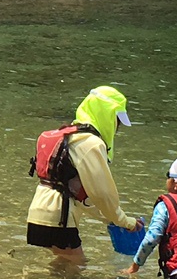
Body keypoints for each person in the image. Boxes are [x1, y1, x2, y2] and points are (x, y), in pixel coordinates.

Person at [25, 84, 140, 264]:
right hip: (60, 217)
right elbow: (102, 195)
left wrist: (112, 219)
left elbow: (81, 197)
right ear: (107, 115)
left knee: (65, 265)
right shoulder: (91, 143)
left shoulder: (70, 135)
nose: (117, 128)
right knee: (76, 268)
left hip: (38, 213)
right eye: (116, 120)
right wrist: (126, 222)